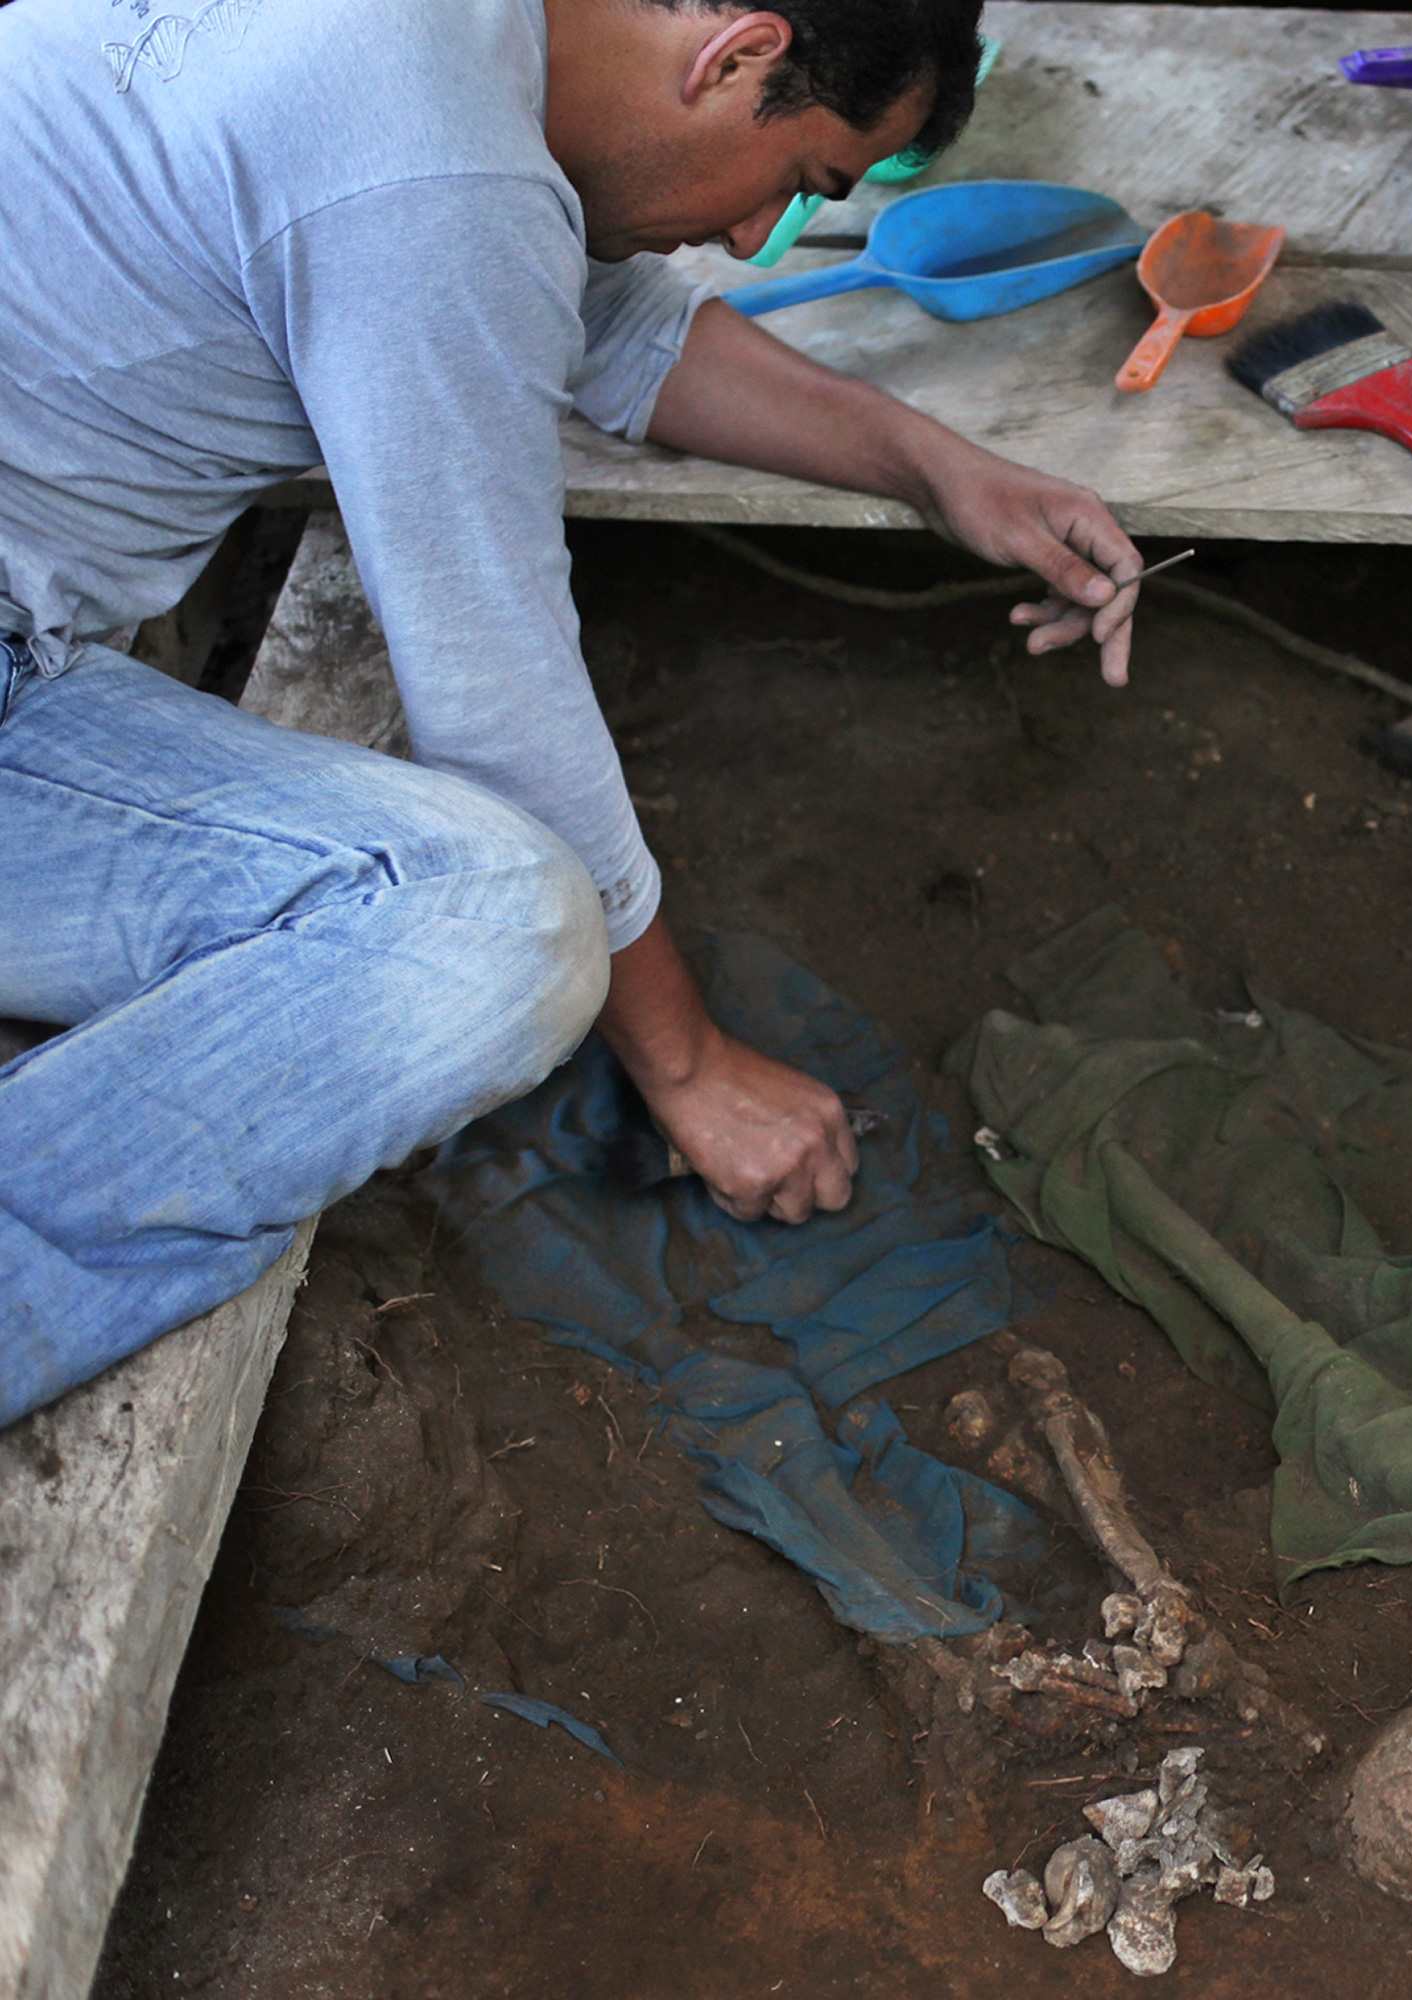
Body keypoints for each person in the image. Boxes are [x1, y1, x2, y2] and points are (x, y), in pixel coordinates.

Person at [0, 0, 1151, 1426]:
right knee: (491, 931)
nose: (751, 242)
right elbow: (495, 693)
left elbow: (597, 318)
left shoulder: (444, 54)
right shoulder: (431, 175)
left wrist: (933, 468)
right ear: (735, 55)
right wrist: (690, 1064)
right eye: (800, 186)